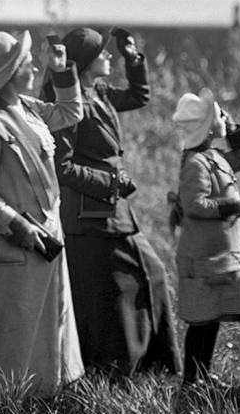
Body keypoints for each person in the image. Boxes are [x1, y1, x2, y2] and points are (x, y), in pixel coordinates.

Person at [45, 27, 179, 378]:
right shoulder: (71, 105)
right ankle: (122, 368)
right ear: (86, 63)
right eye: (103, 53)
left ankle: (148, 363)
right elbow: (63, 168)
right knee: (115, 290)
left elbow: (139, 96)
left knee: (149, 274)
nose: (109, 57)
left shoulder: (99, 92)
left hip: (113, 209)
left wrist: (133, 57)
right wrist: (111, 183)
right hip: (91, 215)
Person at [0, 30, 86, 396]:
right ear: (10, 73)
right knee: (11, 316)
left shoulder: (28, 107)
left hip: (48, 230)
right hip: (18, 237)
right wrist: (17, 227)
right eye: (26, 63)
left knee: (49, 311)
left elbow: (69, 112)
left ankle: (49, 386)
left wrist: (61, 71)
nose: (34, 67)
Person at [168, 89, 240, 395]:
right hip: (204, 257)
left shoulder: (214, 157)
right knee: (201, 321)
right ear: (207, 127)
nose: (224, 117)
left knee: (213, 317)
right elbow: (194, 205)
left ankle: (203, 376)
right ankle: (190, 381)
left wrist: (231, 129)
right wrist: (232, 206)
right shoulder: (196, 163)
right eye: (219, 115)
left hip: (218, 257)